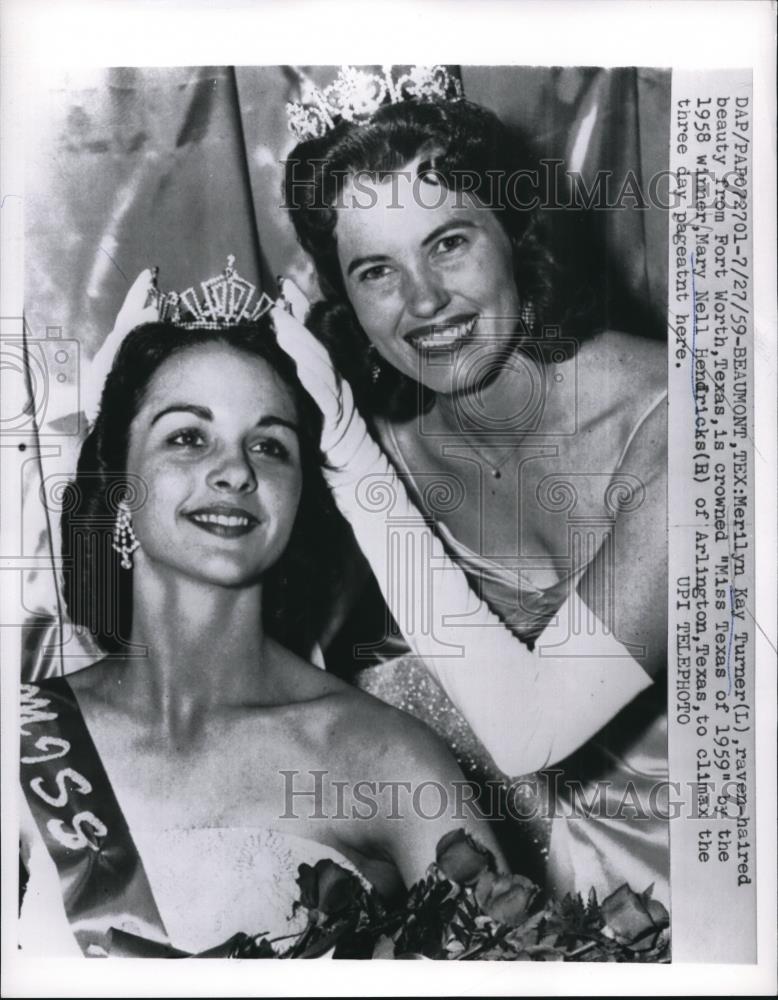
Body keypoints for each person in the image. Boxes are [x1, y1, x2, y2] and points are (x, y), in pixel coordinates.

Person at [18, 265, 506, 957]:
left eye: (271, 445)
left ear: (300, 496)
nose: (237, 470)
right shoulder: (26, 737)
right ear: (120, 487)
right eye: (188, 436)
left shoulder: (388, 760)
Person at [275, 67, 669, 905]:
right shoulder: (385, 432)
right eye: (376, 270)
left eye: (448, 241)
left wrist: (351, 462)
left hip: (711, 861)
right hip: (510, 865)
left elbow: (531, 729)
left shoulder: (683, 424)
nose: (424, 302)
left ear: (514, 232)